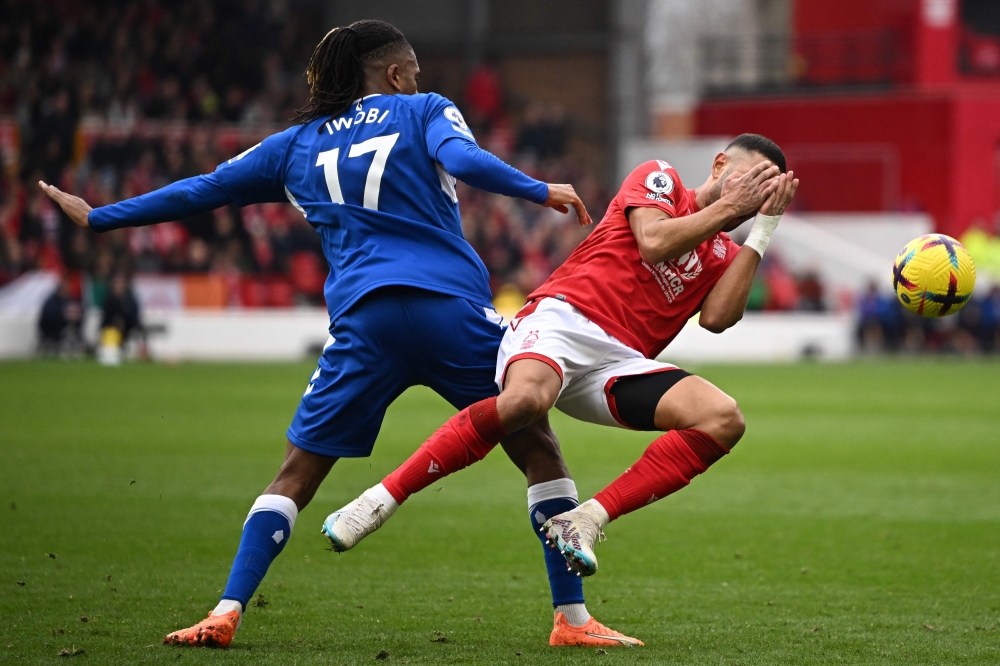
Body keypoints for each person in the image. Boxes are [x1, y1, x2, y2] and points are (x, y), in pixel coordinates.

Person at [38, 19, 638, 650]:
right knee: (538, 448)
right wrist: (537, 188)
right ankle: (571, 621)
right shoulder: (423, 109)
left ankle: (225, 610)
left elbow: (204, 189)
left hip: (365, 323)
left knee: (296, 472)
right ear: (397, 74)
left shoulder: (295, 144)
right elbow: (463, 159)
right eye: (415, 74)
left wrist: (101, 217)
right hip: (450, 312)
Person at [329, 134, 797, 595]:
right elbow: (653, 241)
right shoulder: (661, 178)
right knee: (523, 403)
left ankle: (585, 520)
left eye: (765, 190)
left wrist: (761, 229)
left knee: (723, 419)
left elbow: (717, 319)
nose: (753, 193)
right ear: (718, 165)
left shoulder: (724, 253)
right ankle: (379, 500)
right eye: (749, 178)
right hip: (562, 320)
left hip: (619, 361)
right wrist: (729, 210)